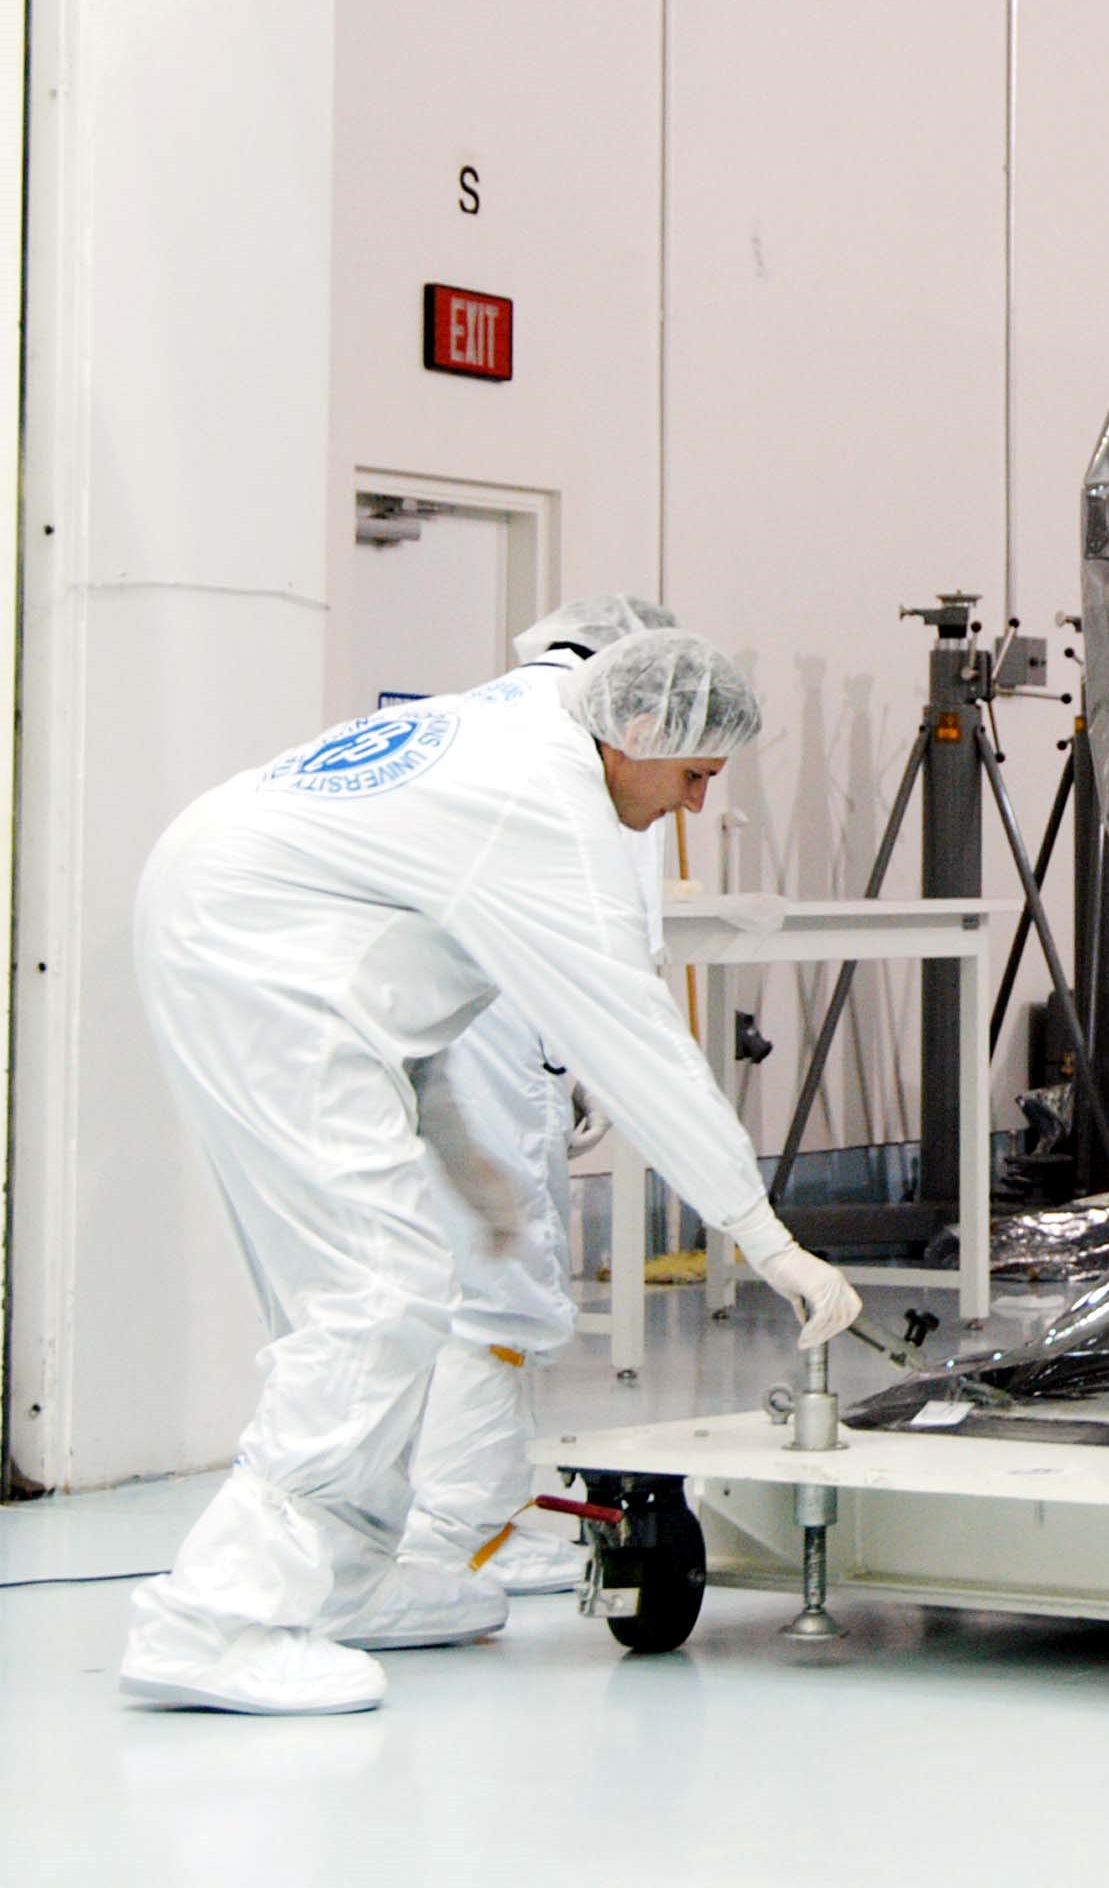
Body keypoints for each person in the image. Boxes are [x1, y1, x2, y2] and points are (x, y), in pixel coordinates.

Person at [122, 629, 864, 1715]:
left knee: (370, 1293)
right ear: (640, 731)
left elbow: (402, 986)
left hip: (242, 928)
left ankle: (343, 1578)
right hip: (263, 958)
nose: (698, 805)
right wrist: (767, 1236)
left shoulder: (501, 736)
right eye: (696, 775)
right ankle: (220, 1616)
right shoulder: (547, 804)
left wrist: (467, 1167)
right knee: (377, 1298)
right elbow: (636, 1035)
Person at [399, 595, 676, 1594]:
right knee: (506, 1284)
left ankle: (447, 1510)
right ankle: (459, 1533)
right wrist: (600, 1065)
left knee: (427, 1278)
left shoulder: (471, 714)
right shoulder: (604, 741)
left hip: (404, 1019)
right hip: (498, 1032)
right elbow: (620, 934)